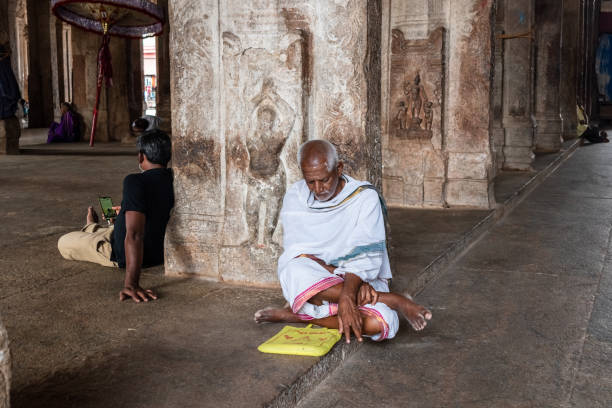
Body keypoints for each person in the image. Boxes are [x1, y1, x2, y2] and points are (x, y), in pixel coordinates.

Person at [255, 140, 432, 342]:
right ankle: (395, 300)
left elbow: (366, 254)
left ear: (338, 169)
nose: (318, 189)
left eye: (324, 180)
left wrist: (352, 288)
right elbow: (299, 253)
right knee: (293, 271)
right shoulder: (295, 197)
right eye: (310, 182)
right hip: (323, 277)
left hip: (359, 278)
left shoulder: (364, 198)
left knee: (380, 323)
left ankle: (297, 315)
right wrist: (346, 291)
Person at [57, 130, 174, 302]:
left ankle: (91, 228)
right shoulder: (174, 177)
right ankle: (93, 227)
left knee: (64, 242)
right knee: (115, 223)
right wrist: (125, 210)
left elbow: (135, 234)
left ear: (141, 156)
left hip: (120, 252)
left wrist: (131, 284)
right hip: (156, 250)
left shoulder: (135, 181)